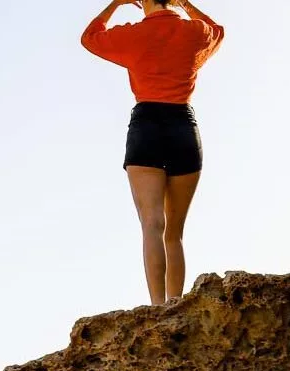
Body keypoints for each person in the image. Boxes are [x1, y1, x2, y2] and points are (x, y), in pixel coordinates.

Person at [81, 0, 224, 305]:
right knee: (175, 232)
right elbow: (218, 31)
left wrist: (116, 4)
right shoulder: (194, 32)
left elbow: (90, 37)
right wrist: (187, 6)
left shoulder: (135, 34)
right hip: (183, 127)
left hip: (146, 127)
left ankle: (158, 308)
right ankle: (176, 305)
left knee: (152, 225)